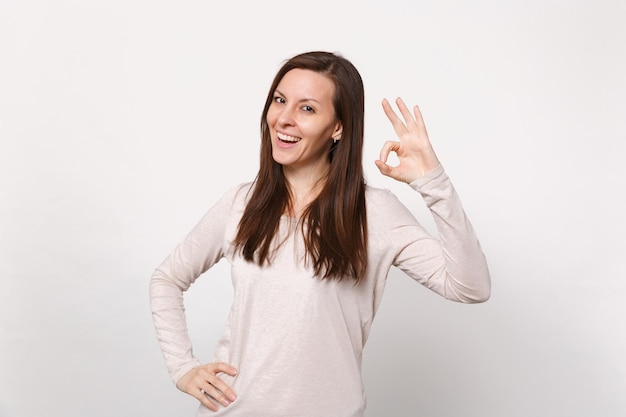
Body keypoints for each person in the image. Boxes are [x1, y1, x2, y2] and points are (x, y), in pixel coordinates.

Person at [149, 50, 490, 417]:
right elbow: (167, 278)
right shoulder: (241, 204)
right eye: (280, 101)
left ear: (338, 127)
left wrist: (432, 182)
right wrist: (183, 369)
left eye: (307, 108)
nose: (284, 118)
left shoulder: (375, 213)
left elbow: (470, 287)